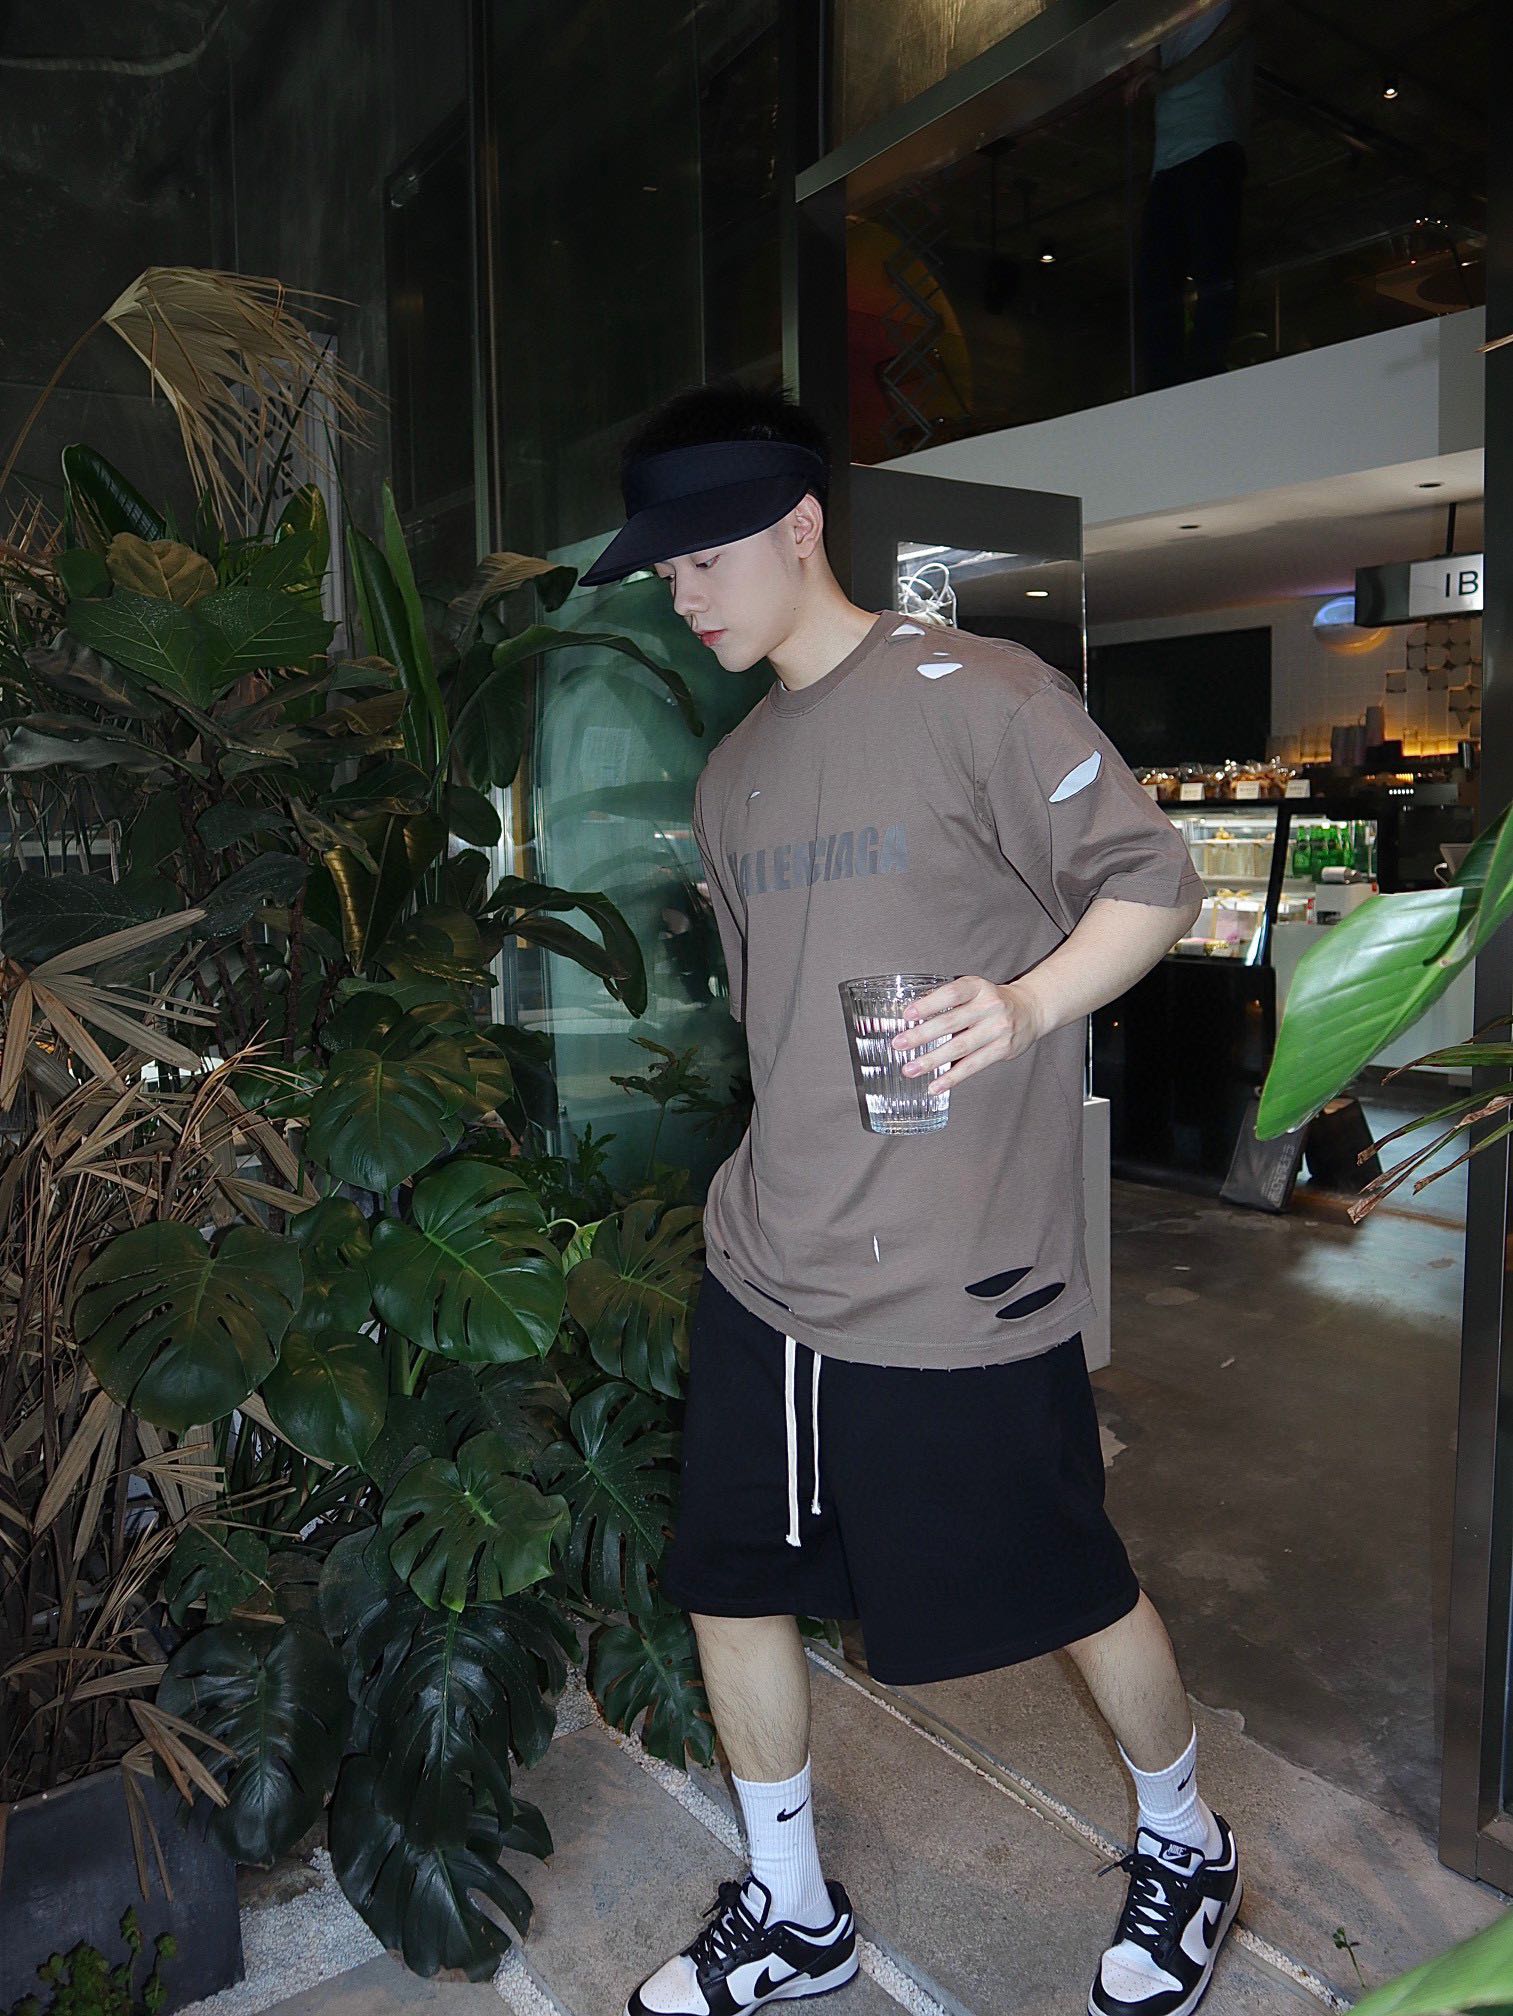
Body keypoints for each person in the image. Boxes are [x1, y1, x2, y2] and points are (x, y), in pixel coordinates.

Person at [580, 382, 1238, 2016]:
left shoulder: (980, 694)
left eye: (703, 557)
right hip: (768, 1261)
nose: (681, 592)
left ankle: (1185, 1840)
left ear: (800, 525)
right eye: (663, 568)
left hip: (959, 1275)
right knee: (729, 1583)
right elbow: (779, 1021)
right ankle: (792, 1910)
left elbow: (1153, 883)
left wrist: (1021, 1004)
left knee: (1068, 1580)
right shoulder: (732, 774)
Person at [1129, 0, 1255, 391]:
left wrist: (1168, 77)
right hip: (1171, 158)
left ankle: (1203, 370)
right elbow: (1143, 55)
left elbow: (1240, 24)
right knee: (1158, 276)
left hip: (1211, 143)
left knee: (1210, 264)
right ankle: (1168, 380)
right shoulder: (1160, 14)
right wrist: (1152, 70)